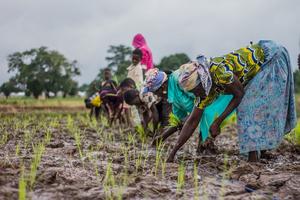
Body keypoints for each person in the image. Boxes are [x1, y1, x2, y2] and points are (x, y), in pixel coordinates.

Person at [167, 40, 297, 162]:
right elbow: (192, 121)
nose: (196, 94)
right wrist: (172, 154)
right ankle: (259, 152)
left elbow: (239, 94)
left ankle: (254, 160)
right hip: (257, 71)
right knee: (251, 106)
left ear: (202, 81)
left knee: (248, 106)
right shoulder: (204, 90)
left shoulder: (218, 71)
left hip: (270, 58)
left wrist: (218, 121)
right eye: (192, 92)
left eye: (196, 90)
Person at [142, 68, 233, 151]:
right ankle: (205, 146)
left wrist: (163, 137)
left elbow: (204, 103)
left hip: (222, 93)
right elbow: (180, 122)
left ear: (162, 87)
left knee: (204, 147)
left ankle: (207, 145)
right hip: (205, 109)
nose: (157, 95)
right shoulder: (172, 95)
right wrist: (161, 138)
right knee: (202, 149)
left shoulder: (181, 81)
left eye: (155, 92)